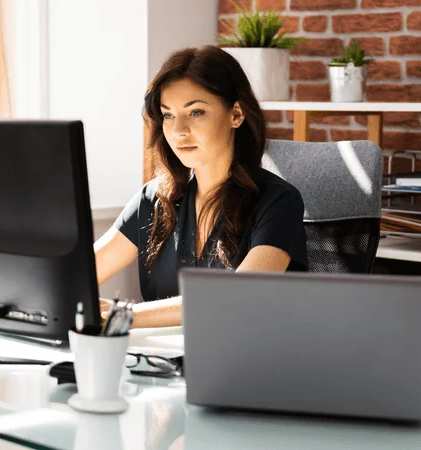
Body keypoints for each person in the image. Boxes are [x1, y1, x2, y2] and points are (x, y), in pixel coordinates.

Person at [93, 45, 308, 328]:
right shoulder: (153, 199)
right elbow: (77, 275)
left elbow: (236, 299)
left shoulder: (279, 202)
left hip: (249, 361)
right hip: (160, 361)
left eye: (196, 112)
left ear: (236, 114)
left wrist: (123, 315)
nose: (179, 130)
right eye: (168, 115)